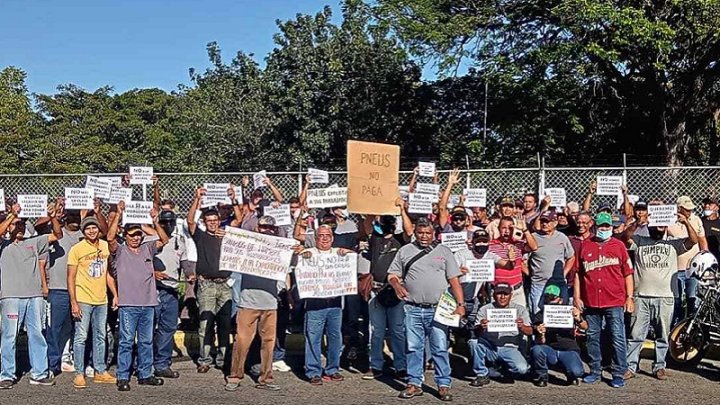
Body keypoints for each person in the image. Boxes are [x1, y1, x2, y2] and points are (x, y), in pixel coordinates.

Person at [387, 217, 465, 402]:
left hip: (438, 309)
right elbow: (392, 274)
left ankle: (443, 384)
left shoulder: (444, 252)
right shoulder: (405, 251)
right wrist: (396, 285)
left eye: (428, 233)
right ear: (415, 233)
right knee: (413, 347)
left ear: (434, 234)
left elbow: (454, 280)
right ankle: (414, 383)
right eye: (420, 233)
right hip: (412, 308)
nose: (424, 236)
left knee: (439, 347)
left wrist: (461, 305)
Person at [623, 211, 697, 380]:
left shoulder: (673, 244)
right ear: (649, 226)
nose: (659, 227)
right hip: (641, 296)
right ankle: (631, 366)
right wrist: (637, 223)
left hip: (665, 297)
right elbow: (625, 237)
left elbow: (693, 241)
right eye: (655, 224)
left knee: (662, 335)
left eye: (662, 225)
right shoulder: (640, 241)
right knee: (636, 335)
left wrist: (685, 222)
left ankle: (659, 366)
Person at [225, 216, 294, 392]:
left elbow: (288, 270)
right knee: (242, 341)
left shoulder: (282, 250)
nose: (267, 230)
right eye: (263, 227)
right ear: (258, 229)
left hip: (270, 302)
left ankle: (266, 377)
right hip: (248, 301)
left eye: (271, 228)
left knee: (268, 343)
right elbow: (231, 255)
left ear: (275, 230)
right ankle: (235, 376)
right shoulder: (248, 247)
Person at [108, 201, 169, 391]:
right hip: (128, 304)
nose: (135, 238)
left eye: (138, 235)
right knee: (126, 341)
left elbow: (164, 239)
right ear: (125, 236)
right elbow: (110, 238)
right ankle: (123, 376)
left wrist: (154, 221)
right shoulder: (120, 251)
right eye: (131, 235)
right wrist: (118, 214)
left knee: (146, 341)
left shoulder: (147, 248)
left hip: (148, 303)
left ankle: (145, 374)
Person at [0, 201, 63, 389]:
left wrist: (52, 216)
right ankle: (7, 374)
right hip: (11, 296)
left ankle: (39, 373)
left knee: (37, 334)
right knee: (9, 336)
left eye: (22, 224)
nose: (19, 227)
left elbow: (57, 235)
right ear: (9, 225)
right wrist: (11, 215)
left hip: (34, 296)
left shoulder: (35, 241)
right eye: (16, 224)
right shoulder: (4, 244)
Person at [575, 212, 634, 388]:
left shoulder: (619, 246)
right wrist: (577, 297)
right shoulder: (586, 245)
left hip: (615, 300)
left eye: (607, 226)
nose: (604, 229)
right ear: (595, 226)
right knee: (592, 336)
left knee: (617, 336)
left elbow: (628, 274)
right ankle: (595, 370)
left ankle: (618, 372)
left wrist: (629, 297)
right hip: (592, 301)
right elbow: (578, 273)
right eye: (601, 226)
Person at [361, 204, 412, 380]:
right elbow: (367, 224)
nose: (388, 223)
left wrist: (402, 210)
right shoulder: (375, 238)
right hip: (376, 290)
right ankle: (375, 365)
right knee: (376, 331)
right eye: (385, 220)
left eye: (390, 220)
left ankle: (401, 365)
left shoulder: (401, 240)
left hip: (396, 290)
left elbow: (410, 230)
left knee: (398, 331)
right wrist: (376, 206)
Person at [187, 187, 235, 373]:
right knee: (205, 324)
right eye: (209, 221)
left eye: (215, 220)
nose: (212, 223)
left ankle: (223, 359)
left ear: (219, 221)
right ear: (205, 222)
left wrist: (234, 199)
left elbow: (239, 222)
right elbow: (190, 221)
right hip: (206, 284)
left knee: (225, 324)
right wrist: (196, 199)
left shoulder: (227, 236)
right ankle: (205, 359)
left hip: (225, 285)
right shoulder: (200, 236)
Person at [67, 216, 118, 388]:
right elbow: (70, 277)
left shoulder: (105, 247)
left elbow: (108, 274)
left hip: (101, 299)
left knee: (100, 335)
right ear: (83, 231)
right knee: (81, 336)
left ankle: (100, 370)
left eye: (94, 228)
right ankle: (79, 373)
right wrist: (73, 301)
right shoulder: (77, 249)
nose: (91, 231)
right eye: (88, 228)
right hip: (83, 298)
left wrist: (115, 295)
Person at [300, 225, 353, 386]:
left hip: (335, 303)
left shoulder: (339, 253)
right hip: (315, 304)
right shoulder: (309, 254)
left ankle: (332, 369)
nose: (324, 238)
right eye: (321, 235)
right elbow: (296, 259)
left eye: (327, 235)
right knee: (313, 338)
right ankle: (313, 372)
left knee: (335, 337)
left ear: (332, 237)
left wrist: (348, 253)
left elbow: (354, 260)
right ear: (315, 238)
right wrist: (303, 255)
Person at [153, 210, 196, 379]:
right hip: (154, 289)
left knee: (168, 328)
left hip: (171, 290)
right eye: (164, 223)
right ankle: (146, 363)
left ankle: (162, 364)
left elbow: (184, 263)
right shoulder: (152, 239)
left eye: (171, 223)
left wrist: (189, 274)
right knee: (149, 329)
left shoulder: (180, 240)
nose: (168, 226)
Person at [41, 209, 83, 376]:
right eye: (70, 215)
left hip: (81, 289)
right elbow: (40, 226)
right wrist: (53, 213)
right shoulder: (55, 235)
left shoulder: (85, 234)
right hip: (58, 289)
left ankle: (67, 358)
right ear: (64, 218)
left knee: (73, 328)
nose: (74, 219)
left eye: (77, 215)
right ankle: (51, 364)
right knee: (53, 329)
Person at [470, 283, 532, 387]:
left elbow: (530, 331)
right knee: (473, 343)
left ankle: (503, 368)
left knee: (522, 369)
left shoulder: (520, 309)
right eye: (499, 294)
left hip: (510, 347)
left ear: (511, 295)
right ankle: (481, 374)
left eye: (505, 294)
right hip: (490, 346)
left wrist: (521, 327)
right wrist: (481, 327)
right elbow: (476, 332)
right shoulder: (485, 309)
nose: (502, 297)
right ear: (494, 295)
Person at [530, 284, 586, 387]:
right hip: (549, 349)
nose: (549, 300)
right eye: (547, 297)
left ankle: (571, 375)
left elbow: (585, 327)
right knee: (537, 349)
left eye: (553, 297)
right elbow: (540, 342)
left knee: (577, 372)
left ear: (560, 299)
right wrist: (540, 334)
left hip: (569, 349)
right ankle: (542, 376)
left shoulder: (570, 312)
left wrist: (579, 318)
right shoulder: (540, 314)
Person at [667, 196, 707, 325]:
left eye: (691, 209)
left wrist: (704, 257)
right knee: (676, 302)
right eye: (686, 209)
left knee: (692, 299)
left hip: (693, 268)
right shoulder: (668, 220)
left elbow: (701, 240)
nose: (689, 211)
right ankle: (674, 330)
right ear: (679, 208)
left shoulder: (696, 220)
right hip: (675, 268)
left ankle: (692, 328)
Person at [529, 210, 575, 314]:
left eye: (548, 221)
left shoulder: (562, 238)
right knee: (537, 315)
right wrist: (531, 274)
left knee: (559, 315)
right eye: (543, 221)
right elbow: (523, 260)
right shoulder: (533, 237)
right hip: (539, 284)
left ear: (555, 223)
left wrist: (563, 274)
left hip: (558, 284)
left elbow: (571, 257)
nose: (544, 224)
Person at [488, 216, 537, 307]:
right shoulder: (490, 246)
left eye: (510, 228)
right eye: (504, 228)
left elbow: (534, 247)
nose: (507, 231)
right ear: (498, 228)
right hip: (497, 292)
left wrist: (525, 230)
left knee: (520, 319)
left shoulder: (519, 244)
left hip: (516, 291)